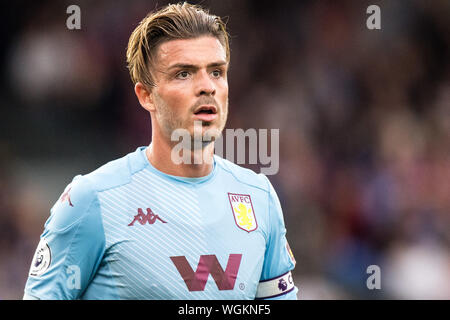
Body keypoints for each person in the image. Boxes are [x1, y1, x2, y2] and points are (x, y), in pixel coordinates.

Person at [23, 2, 297, 300]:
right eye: (184, 74)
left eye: (216, 72)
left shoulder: (259, 197)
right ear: (146, 95)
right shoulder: (92, 200)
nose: (207, 86)